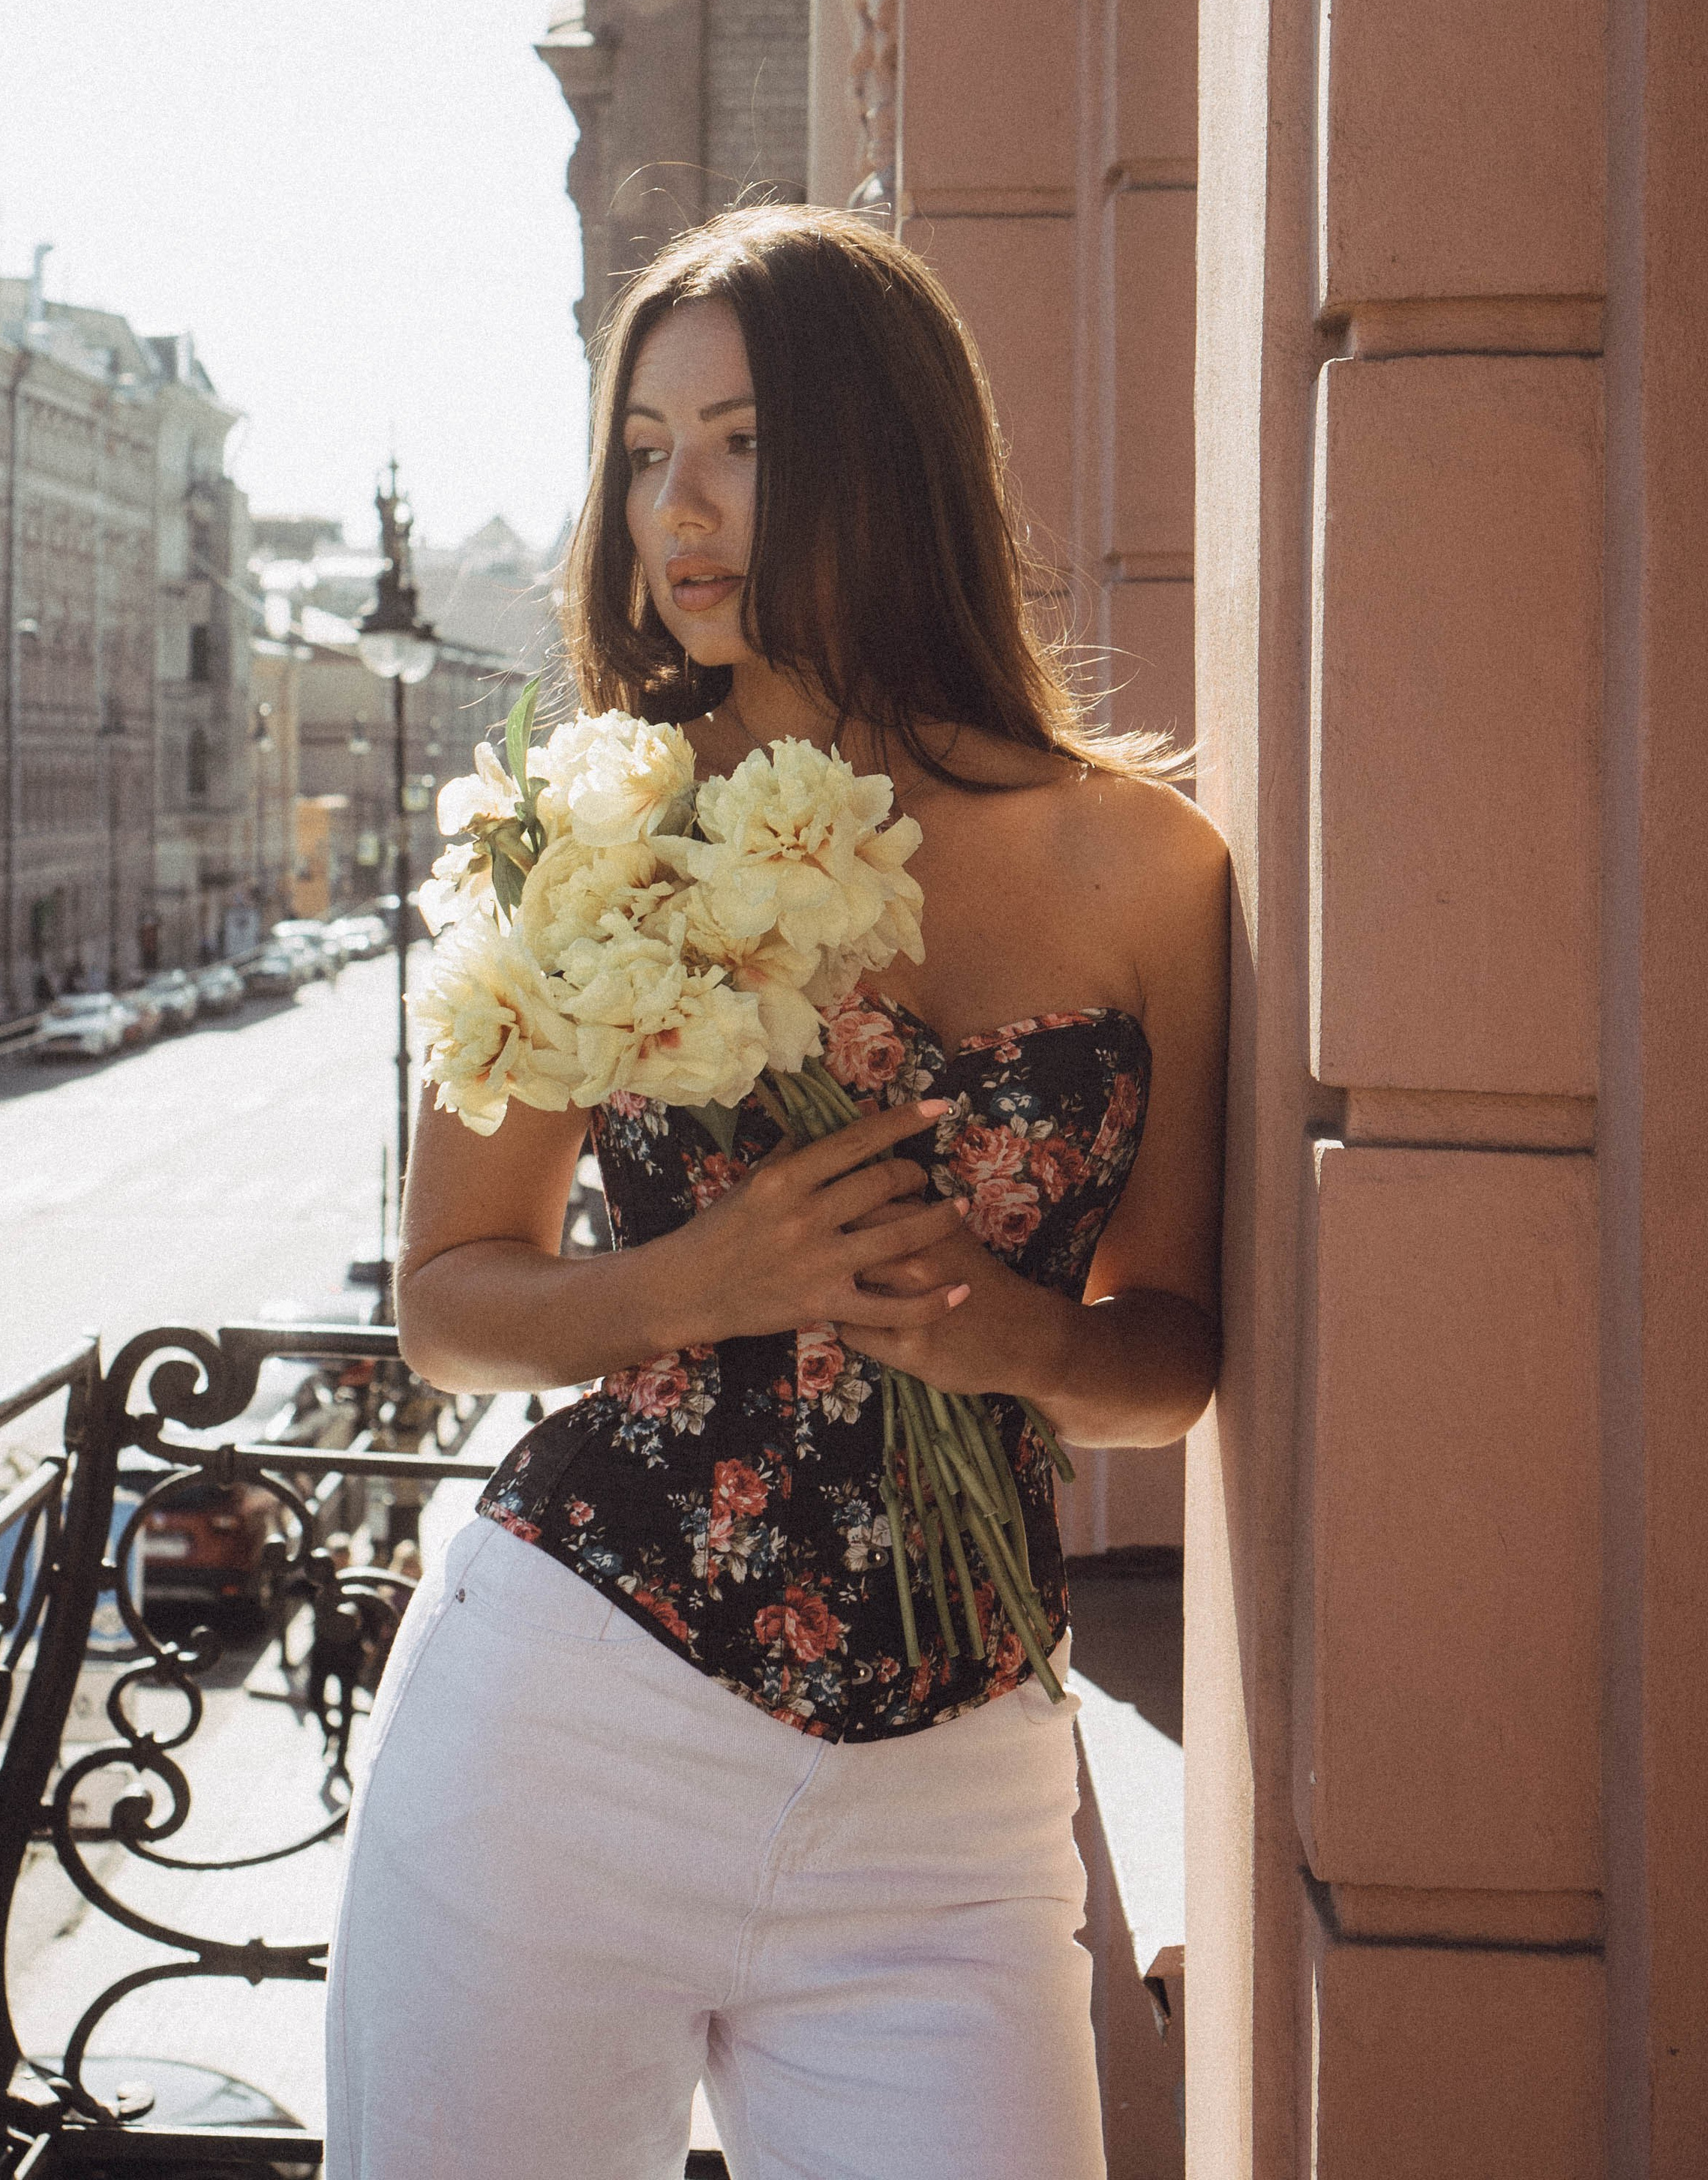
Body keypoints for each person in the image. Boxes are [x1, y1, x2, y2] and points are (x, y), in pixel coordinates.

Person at [326, 208, 1227, 2180]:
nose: (679, 506)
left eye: (735, 438)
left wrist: (1019, 1340)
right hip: (572, 1722)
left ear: (880, 451)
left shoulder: (1151, 871)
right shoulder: (599, 827)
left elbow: (1170, 1357)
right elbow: (453, 1300)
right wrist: (691, 1280)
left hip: (959, 1781)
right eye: (645, 450)